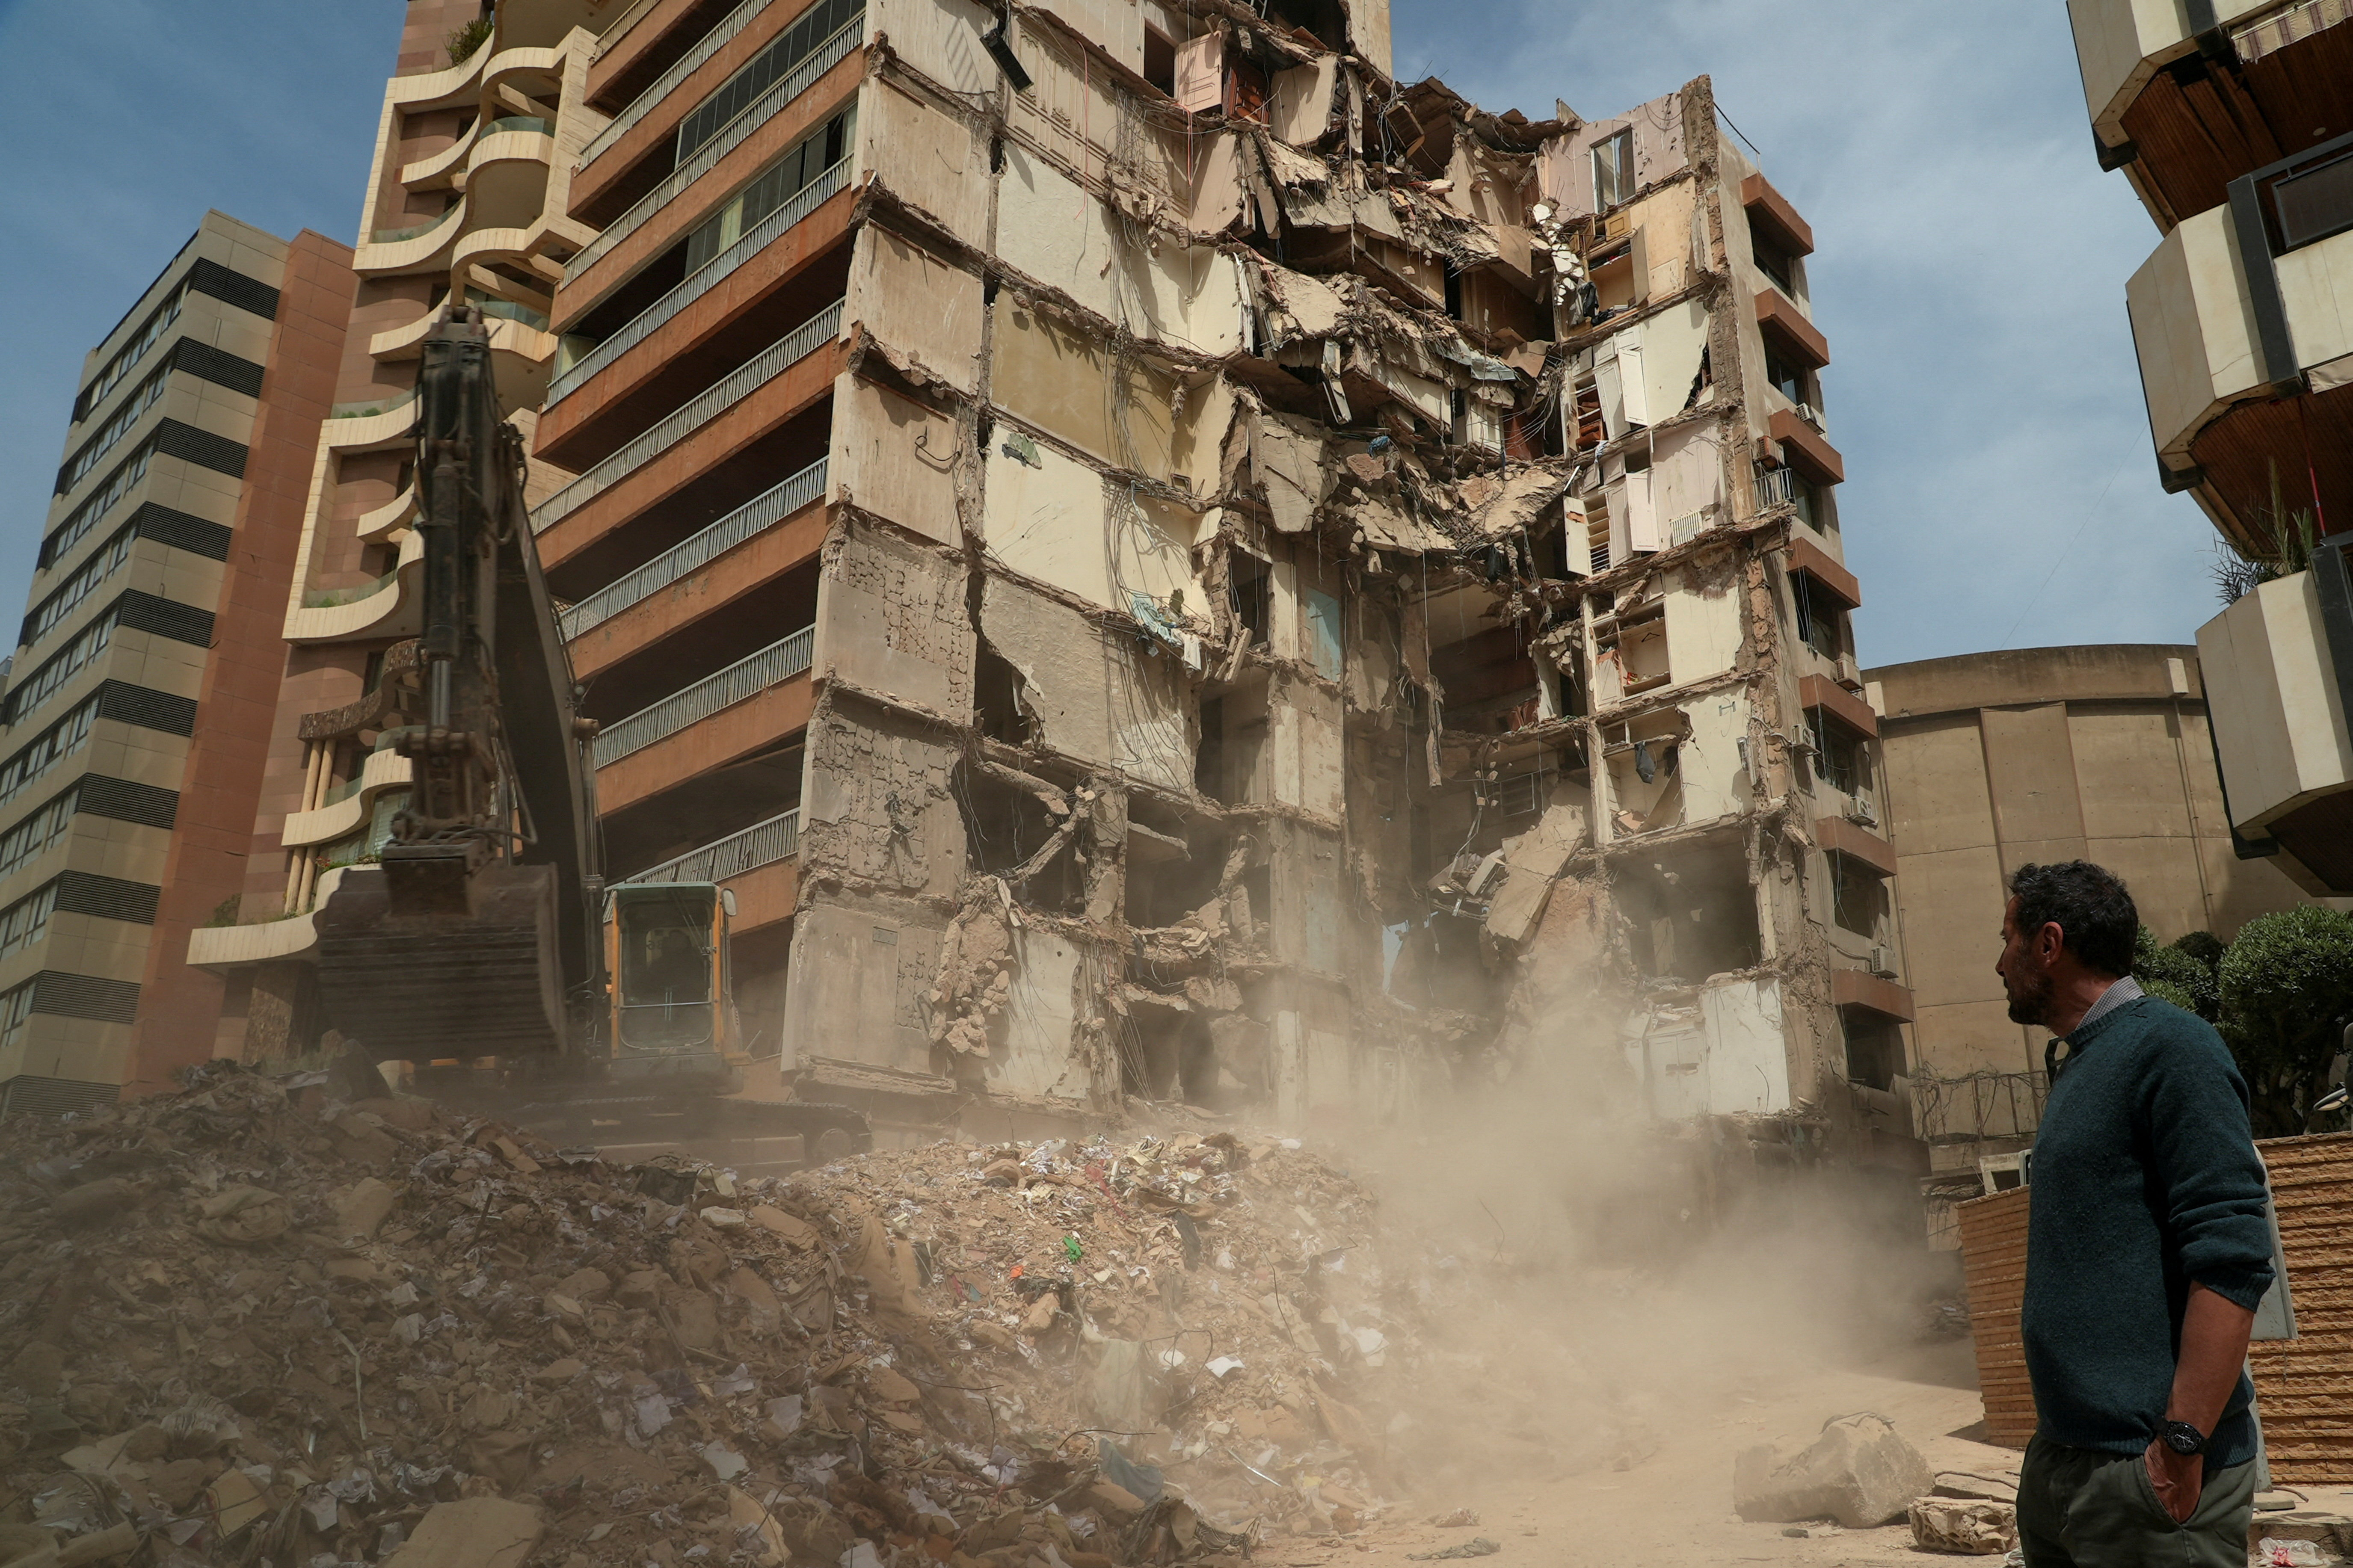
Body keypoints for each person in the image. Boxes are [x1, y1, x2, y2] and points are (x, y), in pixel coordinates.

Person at [2000, 861, 2276, 1567]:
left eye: (2007, 939)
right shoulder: (2083, 1060)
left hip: (2151, 1482)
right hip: (2069, 1465)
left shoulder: (2172, 1048)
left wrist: (2179, 1447)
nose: (1998, 962)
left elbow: (2233, 1258)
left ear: (2049, 944)